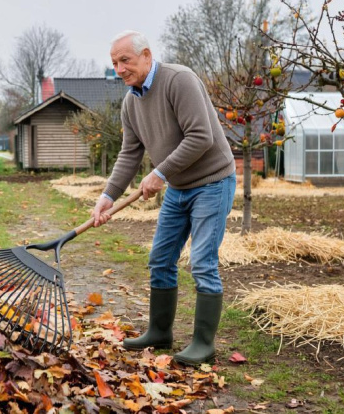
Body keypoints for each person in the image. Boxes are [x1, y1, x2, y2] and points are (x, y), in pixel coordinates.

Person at [91, 30, 236, 365]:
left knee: (202, 261)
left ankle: (203, 344)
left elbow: (200, 136)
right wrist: (108, 195)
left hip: (212, 182)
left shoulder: (178, 81)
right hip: (179, 187)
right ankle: (159, 332)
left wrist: (160, 173)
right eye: (114, 63)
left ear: (146, 55)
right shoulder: (131, 103)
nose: (119, 69)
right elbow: (130, 153)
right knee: (160, 258)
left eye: (125, 60)